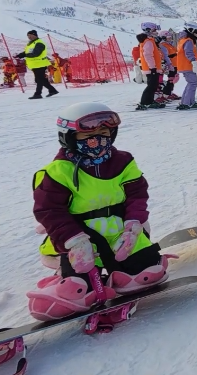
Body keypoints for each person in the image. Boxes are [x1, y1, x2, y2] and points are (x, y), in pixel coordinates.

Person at [26, 102, 172, 323]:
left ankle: (120, 275)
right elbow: (49, 211)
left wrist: (133, 224)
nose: (97, 140)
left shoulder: (123, 161)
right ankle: (67, 282)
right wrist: (74, 241)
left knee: (149, 273)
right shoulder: (56, 172)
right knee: (77, 288)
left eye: (103, 133)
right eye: (87, 135)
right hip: (80, 237)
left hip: (119, 232)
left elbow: (137, 194)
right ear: (69, 137)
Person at [15, 30, 58, 99]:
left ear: (34, 35)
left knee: (39, 80)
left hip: (40, 64)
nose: (29, 37)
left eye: (30, 35)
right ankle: (52, 90)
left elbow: (36, 53)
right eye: (28, 36)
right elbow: (26, 52)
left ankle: (38, 94)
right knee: (41, 79)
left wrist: (25, 55)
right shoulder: (31, 44)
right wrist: (19, 55)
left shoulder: (39, 43)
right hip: (35, 65)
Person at [175, 23, 197, 110]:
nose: (196, 33)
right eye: (196, 31)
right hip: (187, 65)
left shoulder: (182, 40)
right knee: (193, 83)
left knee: (191, 83)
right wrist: (193, 62)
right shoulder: (188, 41)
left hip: (183, 65)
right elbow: (188, 52)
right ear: (191, 30)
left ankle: (188, 102)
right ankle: (187, 103)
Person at [136, 23, 165, 110]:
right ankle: (144, 102)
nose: (156, 32)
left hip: (152, 67)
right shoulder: (148, 41)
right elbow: (148, 55)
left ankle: (150, 101)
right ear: (148, 30)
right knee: (151, 85)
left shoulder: (149, 40)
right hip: (151, 68)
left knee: (153, 85)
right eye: (154, 30)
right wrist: (152, 67)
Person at [158, 30, 178, 100]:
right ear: (163, 38)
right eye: (168, 37)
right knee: (171, 79)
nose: (170, 38)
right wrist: (170, 63)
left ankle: (169, 92)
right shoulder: (163, 45)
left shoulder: (170, 44)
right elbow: (165, 56)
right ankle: (166, 94)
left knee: (173, 79)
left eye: (170, 37)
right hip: (170, 65)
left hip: (175, 64)